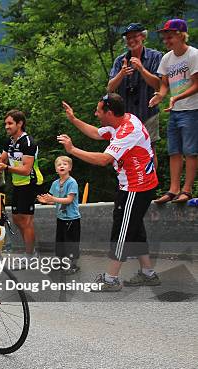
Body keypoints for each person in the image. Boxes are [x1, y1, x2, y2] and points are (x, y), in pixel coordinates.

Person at [59, 93, 160, 291]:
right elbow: (97, 133)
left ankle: (111, 279)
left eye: (99, 111)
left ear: (110, 113)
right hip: (134, 186)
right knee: (135, 228)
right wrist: (73, 119)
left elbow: (103, 160)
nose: (96, 114)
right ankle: (148, 273)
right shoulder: (122, 121)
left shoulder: (127, 131)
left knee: (122, 231)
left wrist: (72, 150)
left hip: (136, 188)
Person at [149, 19, 197, 204]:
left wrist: (177, 97)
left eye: (169, 37)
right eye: (165, 38)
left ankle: (187, 190)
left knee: (191, 151)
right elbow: (164, 84)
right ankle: (173, 189)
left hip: (192, 109)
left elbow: (196, 84)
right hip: (175, 110)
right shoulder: (167, 58)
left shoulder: (193, 55)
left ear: (180, 35)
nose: (166, 41)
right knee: (174, 150)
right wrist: (160, 96)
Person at [108, 23, 162, 168]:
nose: (131, 40)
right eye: (128, 38)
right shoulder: (120, 61)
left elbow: (159, 85)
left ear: (143, 36)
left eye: (134, 36)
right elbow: (110, 88)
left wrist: (141, 68)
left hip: (148, 112)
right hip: (126, 115)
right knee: (126, 151)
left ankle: (151, 185)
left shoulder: (155, 56)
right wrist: (121, 73)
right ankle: (131, 185)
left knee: (150, 150)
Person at [0, 110, 44, 258]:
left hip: (30, 183)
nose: (7, 127)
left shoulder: (28, 142)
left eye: (10, 123)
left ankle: (30, 255)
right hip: (18, 183)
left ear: (20, 123)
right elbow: (1, 159)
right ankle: (31, 249)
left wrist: (6, 168)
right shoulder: (9, 140)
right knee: (16, 218)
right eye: (5, 124)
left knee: (26, 220)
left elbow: (27, 170)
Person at [37, 156, 81, 274]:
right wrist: (46, 201)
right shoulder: (55, 183)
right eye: (59, 165)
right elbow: (55, 200)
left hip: (72, 218)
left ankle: (73, 265)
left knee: (71, 242)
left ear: (70, 167)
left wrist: (53, 198)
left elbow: (69, 200)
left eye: (65, 164)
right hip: (60, 218)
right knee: (60, 241)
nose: (62, 166)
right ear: (56, 169)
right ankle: (61, 261)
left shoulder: (72, 182)